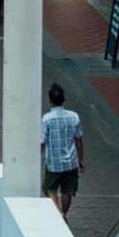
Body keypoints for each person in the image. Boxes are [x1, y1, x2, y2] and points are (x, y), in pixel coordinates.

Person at [40, 82, 85, 215]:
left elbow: (42, 141)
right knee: (67, 191)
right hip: (71, 162)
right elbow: (78, 140)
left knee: (49, 188)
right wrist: (81, 159)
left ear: (49, 100)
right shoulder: (74, 116)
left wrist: (38, 156)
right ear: (64, 99)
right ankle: (63, 214)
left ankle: (56, 215)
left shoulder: (47, 119)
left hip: (54, 163)